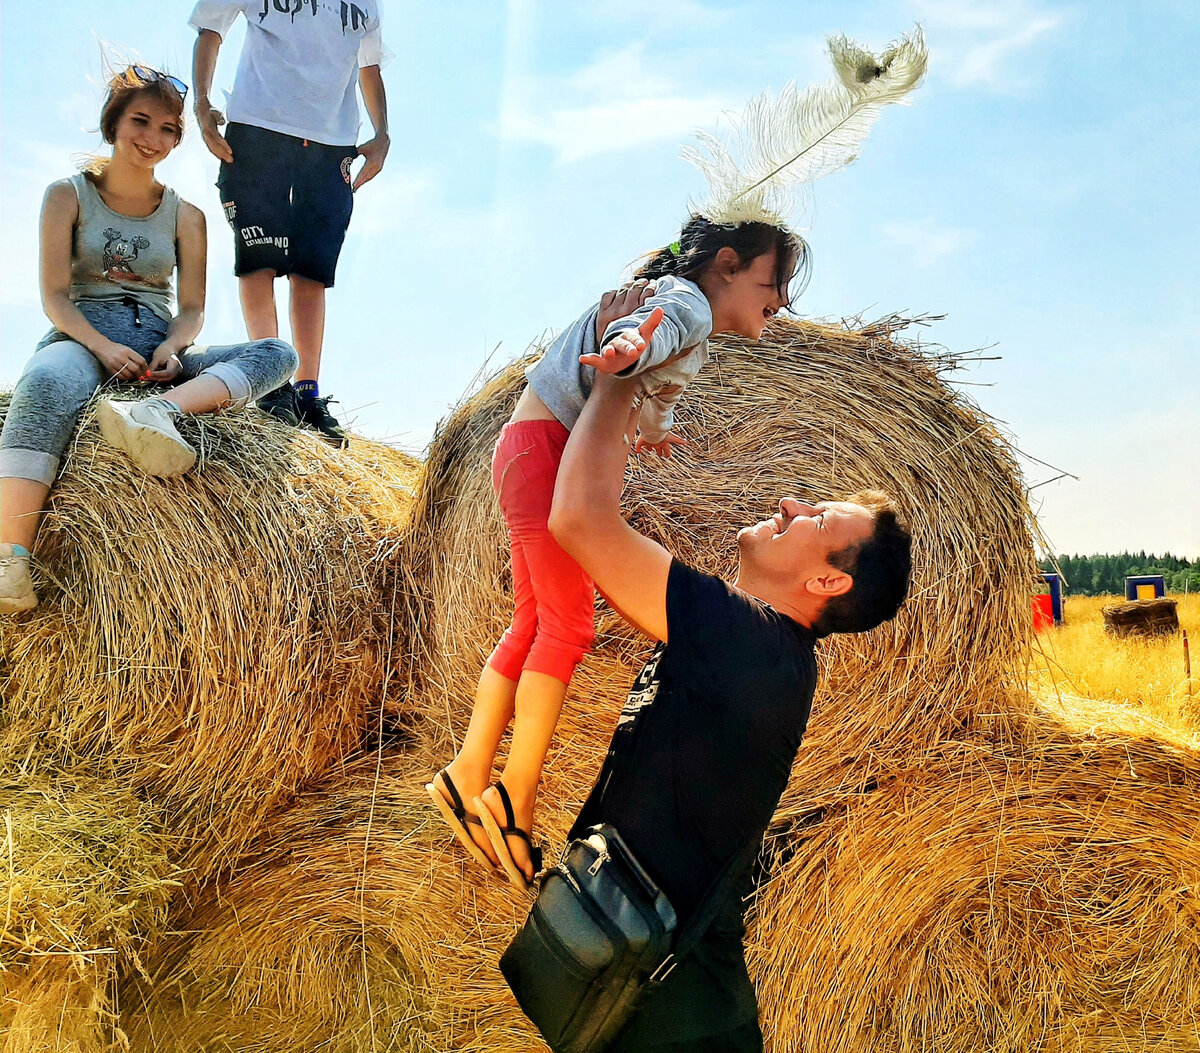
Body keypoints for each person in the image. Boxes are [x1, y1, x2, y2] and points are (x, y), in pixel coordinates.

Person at [426, 215, 810, 891]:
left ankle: (468, 771)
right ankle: (512, 794)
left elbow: (657, 381)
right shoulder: (686, 302)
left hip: (524, 447)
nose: (777, 304)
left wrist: (652, 428)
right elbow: (647, 330)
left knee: (533, 623)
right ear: (726, 263)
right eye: (771, 286)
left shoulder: (693, 319)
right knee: (569, 625)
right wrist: (626, 345)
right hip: (544, 452)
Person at [545, 351, 913, 1051]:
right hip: (664, 1007)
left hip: (677, 1024)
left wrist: (622, 374)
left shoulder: (748, 639)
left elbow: (580, 519)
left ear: (829, 584)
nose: (790, 503)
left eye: (815, 518)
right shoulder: (759, 647)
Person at [0, 65, 298, 614]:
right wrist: (101, 347)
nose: (153, 139)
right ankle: (10, 554)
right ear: (113, 123)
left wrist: (173, 349)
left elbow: (192, 309)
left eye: (168, 129)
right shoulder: (67, 196)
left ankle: (159, 413)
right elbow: (56, 298)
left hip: (158, 347)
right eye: (141, 121)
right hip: (84, 334)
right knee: (44, 382)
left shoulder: (186, 215)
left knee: (279, 352)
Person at [189, 0, 390, 446]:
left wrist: (382, 133)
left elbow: (369, 66)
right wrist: (201, 103)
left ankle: (307, 390)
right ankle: (271, 381)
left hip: (333, 143)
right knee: (258, 260)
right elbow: (210, 29)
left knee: (312, 273)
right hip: (258, 128)